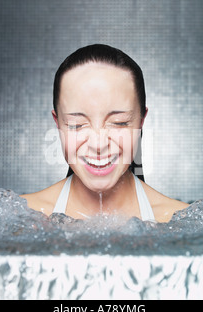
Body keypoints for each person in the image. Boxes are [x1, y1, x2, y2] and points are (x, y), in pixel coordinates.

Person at [21, 44, 189, 222]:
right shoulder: (23, 218)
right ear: (58, 124)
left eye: (119, 123)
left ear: (140, 122)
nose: (98, 144)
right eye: (77, 125)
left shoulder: (182, 222)